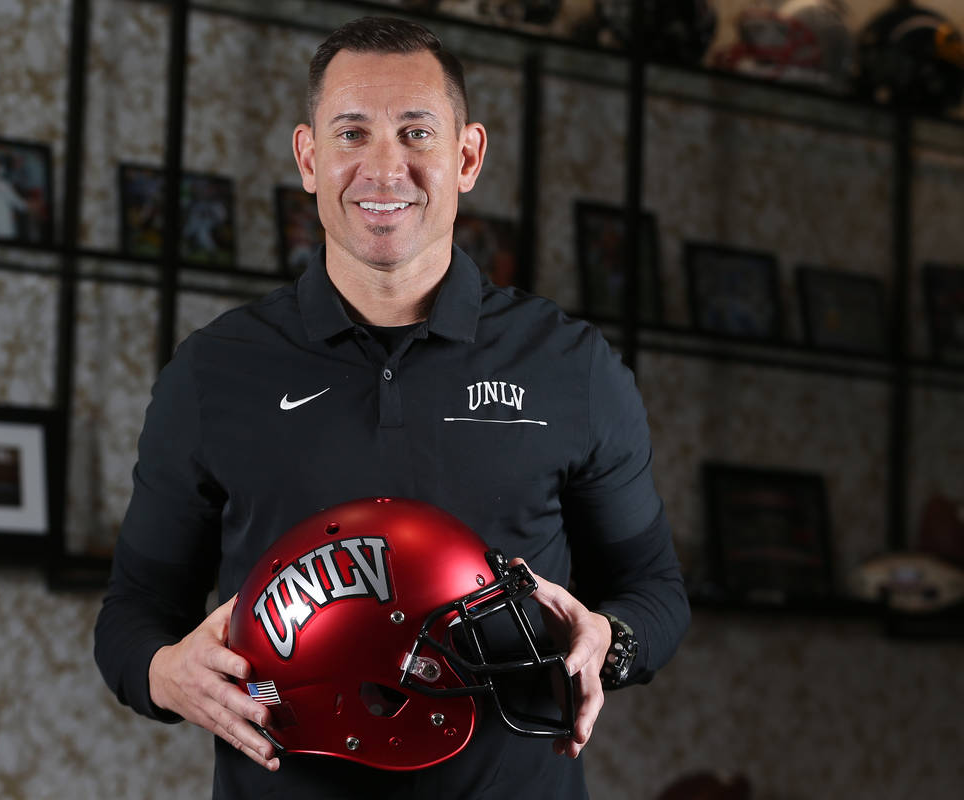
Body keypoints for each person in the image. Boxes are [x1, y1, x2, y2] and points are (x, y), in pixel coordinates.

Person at [95, 16, 689, 800]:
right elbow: (133, 613)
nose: (385, 168)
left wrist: (609, 641)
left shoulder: (571, 367)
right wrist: (164, 672)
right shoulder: (213, 372)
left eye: (416, 133)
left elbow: (655, 590)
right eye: (351, 134)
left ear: (467, 156)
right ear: (309, 158)